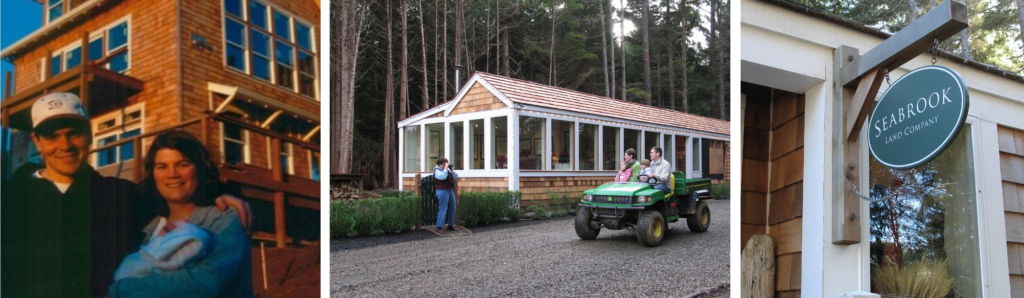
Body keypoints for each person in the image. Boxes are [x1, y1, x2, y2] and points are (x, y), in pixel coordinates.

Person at [1, 92, 251, 297]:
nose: (64, 145)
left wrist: (219, 193)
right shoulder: (9, 198)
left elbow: (175, 197)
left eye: (74, 133)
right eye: (52, 137)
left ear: (89, 134)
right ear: (37, 141)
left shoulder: (121, 195)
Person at [108, 130, 253, 297]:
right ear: (153, 174)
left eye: (183, 164)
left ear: (199, 168)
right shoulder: (150, 228)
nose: (172, 174)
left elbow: (206, 283)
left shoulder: (224, 218)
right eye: (162, 166)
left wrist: (119, 290)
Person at [434, 157, 459, 234]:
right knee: (443, 208)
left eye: (446, 163)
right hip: (442, 190)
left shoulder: (447, 170)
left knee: (452, 207)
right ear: (440, 164)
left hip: (450, 190)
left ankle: (450, 225)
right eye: (444, 164)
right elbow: (442, 177)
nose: (446, 165)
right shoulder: (437, 171)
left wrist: (451, 170)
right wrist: (445, 169)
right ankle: (439, 226)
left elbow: (455, 177)